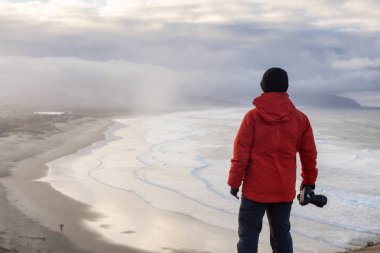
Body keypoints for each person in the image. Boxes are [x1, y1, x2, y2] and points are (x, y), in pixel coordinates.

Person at [227, 67, 318, 253]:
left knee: (249, 234)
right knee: (281, 234)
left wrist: (234, 183)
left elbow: (240, 154)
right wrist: (309, 183)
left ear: (264, 86)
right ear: (286, 87)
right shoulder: (300, 119)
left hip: (255, 190)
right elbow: (309, 154)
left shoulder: (252, 117)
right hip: (283, 190)